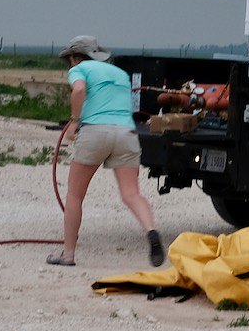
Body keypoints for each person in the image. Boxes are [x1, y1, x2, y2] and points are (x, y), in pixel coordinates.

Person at [50, 35, 164, 268]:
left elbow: (79, 90)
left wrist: (74, 121)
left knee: (75, 195)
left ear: (74, 57)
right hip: (126, 133)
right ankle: (151, 231)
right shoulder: (120, 73)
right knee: (132, 194)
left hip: (95, 132)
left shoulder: (79, 69)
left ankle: (68, 255)